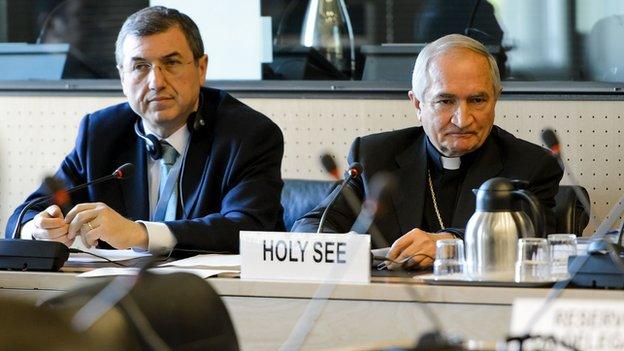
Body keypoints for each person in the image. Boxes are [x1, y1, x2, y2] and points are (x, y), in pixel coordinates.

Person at [5, 6, 285, 255]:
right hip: (122, 298)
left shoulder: (249, 134)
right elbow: (25, 214)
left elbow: (247, 228)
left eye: (171, 63)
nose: (156, 82)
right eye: (140, 66)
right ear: (122, 77)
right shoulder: (101, 133)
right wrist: (37, 229)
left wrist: (139, 233)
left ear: (201, 68)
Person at [293, 34, 562, 270]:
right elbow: (313, 225)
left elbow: (537, 239)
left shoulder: (531, 166)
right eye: (446, 101)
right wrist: (342, 248)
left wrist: (449, 244)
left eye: (477, 100)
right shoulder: (376, 156)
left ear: (496, 99)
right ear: (418, 104)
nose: (462, 119)